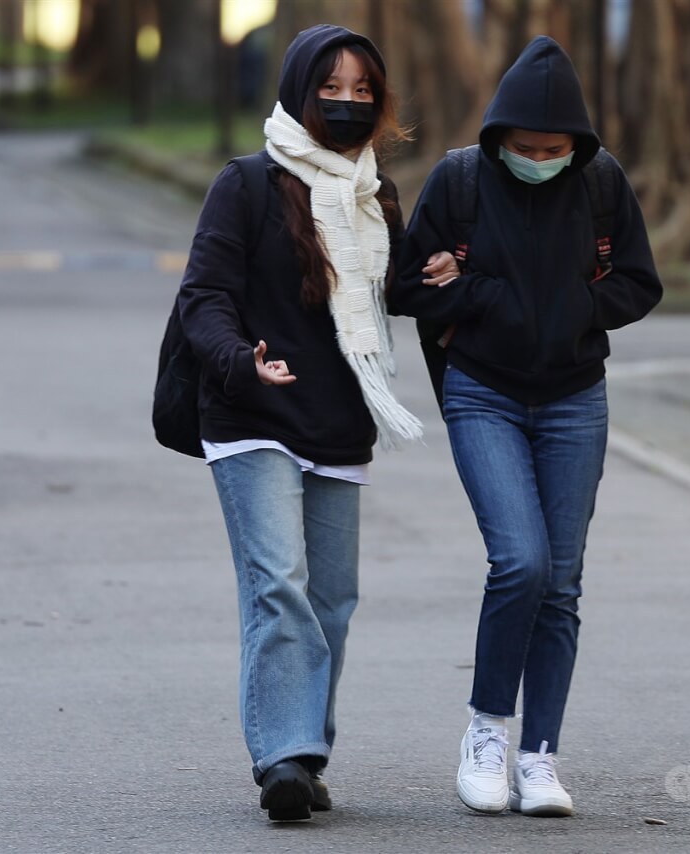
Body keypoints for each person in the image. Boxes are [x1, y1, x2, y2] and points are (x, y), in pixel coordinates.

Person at [391, 36, 663, 817]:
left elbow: (641, 282)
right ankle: (487, 732)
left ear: (576, 146)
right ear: (497, 137)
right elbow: (409, 286)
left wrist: (577, 307)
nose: (539, 158)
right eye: (524, 147)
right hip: (484, 394)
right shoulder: (461, 180)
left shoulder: (601, 183)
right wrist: (475, 293)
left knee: (563, 580)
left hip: (577, 398)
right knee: (520, 562)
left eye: (554, 149)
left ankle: (539, 757)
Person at [177, 24, 421, 822]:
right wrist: (240, 362)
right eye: (331, 87)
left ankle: (308, 749)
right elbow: (203, 298)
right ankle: (283, 756)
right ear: (296, 90)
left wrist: (444, 273)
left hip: (336, 415)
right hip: (250, 412)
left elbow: (394, 291)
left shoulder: (373, 194)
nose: (346, 104)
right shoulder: (246, 184)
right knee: (280, 585)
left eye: (362, 91)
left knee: (333, 599)